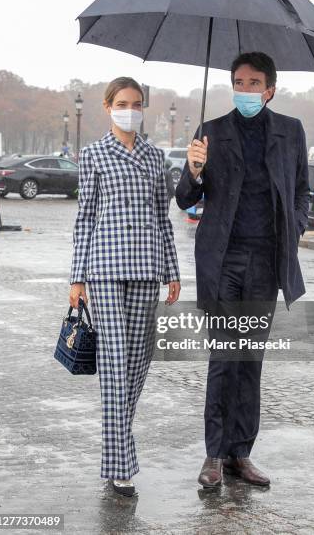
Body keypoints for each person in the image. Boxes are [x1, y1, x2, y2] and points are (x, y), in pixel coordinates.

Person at [175, 52, 310, 489]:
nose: (245, 89)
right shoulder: (210, 133)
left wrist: (298, 224)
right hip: (223, 261)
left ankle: (241, 455)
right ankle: (213, 454)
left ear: (270, 89)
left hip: (266, 263)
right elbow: (184, 197)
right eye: (239, 82)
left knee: (250, 360)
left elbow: (302, 189)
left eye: (254, 83)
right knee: (223, 357)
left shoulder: (291, 132)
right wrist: (194, 169)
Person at [69, 76, 181, 496]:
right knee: (115, 364)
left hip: (147, 267)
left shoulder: (154, 157)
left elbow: (162, 217)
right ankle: (120, 465)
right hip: (105, 268)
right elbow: (85, 217)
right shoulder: (94, 154)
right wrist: (76, 276)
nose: (129, 109)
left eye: (136, 103)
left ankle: (119, 445)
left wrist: (172, 270)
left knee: (137, 364)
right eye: (121, 102)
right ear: (106, 106)